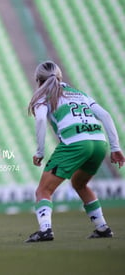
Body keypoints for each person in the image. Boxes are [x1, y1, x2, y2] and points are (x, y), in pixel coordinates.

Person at [25, 60, 125, 242]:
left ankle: (45, 230)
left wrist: (39, 152)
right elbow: (105, 116)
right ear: (60, 76)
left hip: (75, 143)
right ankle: (102, 227)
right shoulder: (79, 93)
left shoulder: (43, 96)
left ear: (38, 80)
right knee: (79, 183)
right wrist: (115, 147)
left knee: (43, 191)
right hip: (98, 142)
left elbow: (40, 120)